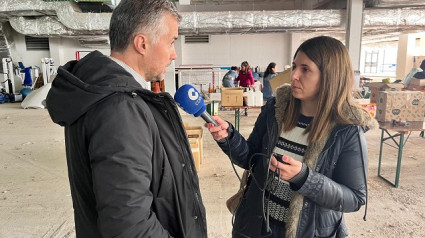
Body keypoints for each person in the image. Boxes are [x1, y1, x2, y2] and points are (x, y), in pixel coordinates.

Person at [46, 0, 207, 237]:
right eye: (171, 42)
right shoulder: (120, 108)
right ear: (142, 43)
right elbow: (129, 226)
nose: (174, 54)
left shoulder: (101, 92)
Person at [205, 36, 377, 238]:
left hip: (307, 232)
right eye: (295, 66)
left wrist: (305, 178)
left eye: (305, 69)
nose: (293, 75)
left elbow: (354, 198)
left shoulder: (347, 131)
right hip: (257, 225)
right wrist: (229, 138)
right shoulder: (275, 110)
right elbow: (251, 159)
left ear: (330, 75)